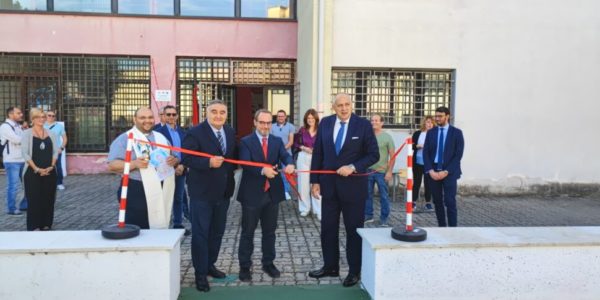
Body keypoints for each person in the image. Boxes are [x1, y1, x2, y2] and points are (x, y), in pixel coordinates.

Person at [308, 94, 379, 287]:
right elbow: (318, 153)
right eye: (340, 105)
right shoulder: (326, 123)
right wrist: (314, 180)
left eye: (347, 104)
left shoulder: (362, 125)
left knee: (353, 231)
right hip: (329, 187)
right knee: (328, 229)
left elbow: (373, 154)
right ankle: (330, 266)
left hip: (353, 189)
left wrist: (354, 166)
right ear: (334, 107)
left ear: (352, 105)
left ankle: (355, 271)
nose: (344, 108)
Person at [182, 100, 238, 292]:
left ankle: (210, 264)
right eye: (214, 112)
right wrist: (207, 162)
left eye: (222, 112)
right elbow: (186, 157)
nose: (218, 115)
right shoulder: (195, 132)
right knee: (200, 234)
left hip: (223, 193)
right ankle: (199, 274)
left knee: (217, 232)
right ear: (207, 113)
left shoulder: (229, 132)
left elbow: (234, 157)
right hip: (202, 193)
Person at [237, 109, 295, 282]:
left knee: (270, 232)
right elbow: (245, 164)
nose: (265, 126)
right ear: (255, 122)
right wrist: (263, 170)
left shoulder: (277, 141)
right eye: (262, 122)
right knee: (248, 232)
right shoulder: (245, 142)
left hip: (272, 194)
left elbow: (285, 156)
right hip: (252, 195)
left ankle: (268, 263)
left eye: (269, 122)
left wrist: (290, 164)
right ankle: (245, 266)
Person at [107, 107, 178, 229]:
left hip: (162, 186)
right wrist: (134, 164)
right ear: (135, 119)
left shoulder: (160, 137)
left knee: (160, 222)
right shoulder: (125, 138)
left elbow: (174, 156)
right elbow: (112, 165)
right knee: (138, 228)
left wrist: (174, 160)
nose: (147, 120)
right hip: (137, 189)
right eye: (142, 118)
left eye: (150, 117)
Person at [423, 106, 464, 227]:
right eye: (436, 116)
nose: (437, 119)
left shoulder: (456, 133)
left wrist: (446, 171)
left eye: (440, 116)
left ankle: (452, 228)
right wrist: (430, 170)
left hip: (449, 171)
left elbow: (458, 155)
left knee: (450, 201)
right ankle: (442, 226)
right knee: (437, 201)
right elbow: (426, 153)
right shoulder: (431, 133)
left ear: (447, 116)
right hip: (433, 171)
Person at [21, 108, 59, 231]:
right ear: (32, 119)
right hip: (32, 172)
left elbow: (55, 152)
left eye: (43, 117)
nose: (41, 119)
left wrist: (52, 166)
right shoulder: (27, 133)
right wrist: (37, 169)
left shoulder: (51, 134)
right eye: (38, 117)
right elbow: (25, 154)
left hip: (50, 171)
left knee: (48, 198)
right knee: (34, 199)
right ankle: (34, 225)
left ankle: (46, 223)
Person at [157, 105, 190, 236]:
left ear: (177, 116)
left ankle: (177, 224)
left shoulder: (184, 132)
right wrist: (173, 166)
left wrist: (183, 165)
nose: (171, 117)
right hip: (164, 171)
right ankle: (161, 225)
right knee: (163, 197)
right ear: (163, 116)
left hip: (181, 170)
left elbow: (187, 151)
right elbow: (157, 153)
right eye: (168, 114)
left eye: (173, 114)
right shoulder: (158, 132)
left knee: (178, 198)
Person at [364, 113, 395, 227]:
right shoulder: (367, 136)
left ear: (382, 123)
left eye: (376, 120)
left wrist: (389, 171)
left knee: (384, 196)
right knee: (367, 194)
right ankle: (368, 215)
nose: (374, 122)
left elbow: (393, 156)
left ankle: (384, 218)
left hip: (382, 172)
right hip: (368, 170)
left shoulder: (387, 137)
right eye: (372, 120)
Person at [293, 108, 320, 219]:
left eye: (312, 118)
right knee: (303, 183)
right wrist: (303, 147)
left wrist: (316, 150)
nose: (310, 120)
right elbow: (295, 143)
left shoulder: (320, 130)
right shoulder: (302, 130)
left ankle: (318, 210)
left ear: (316, 118)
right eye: (308, 118)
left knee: (317, 183)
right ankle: (305, 208)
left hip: (317, 158)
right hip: (303, 157)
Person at [1, 106, 28, 215]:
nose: (21, 114)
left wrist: (25, 131)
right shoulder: (5, 126)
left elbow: (23, 138)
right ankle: (11, 208)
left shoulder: (18, 126)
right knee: (13, 186)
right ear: (11, 115)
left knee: (27, 184)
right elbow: (17, 140)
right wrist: (27, 137)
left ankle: (24, 205)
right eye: (18, 113)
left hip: (23, 159)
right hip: (12, 160)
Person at [270, 109, 295, 200]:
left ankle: (286, 191)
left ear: (285, 117)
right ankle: (276, 190)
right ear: (277, 117)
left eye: (282, 116)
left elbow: (291, 141)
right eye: (279, 116)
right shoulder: (271, 126)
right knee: (275, 173)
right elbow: (270, 139)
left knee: (286, 173)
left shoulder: (290, 126)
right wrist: (277, 151)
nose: (280, 117)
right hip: (274, 154)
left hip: (286, 154)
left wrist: (282, 151)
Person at [412, 116, 434, 211]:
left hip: (429, 163)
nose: (429, 124)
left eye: (431, 122)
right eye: (427, 122)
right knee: (416, 182)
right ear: (424, 123)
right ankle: (413, 202)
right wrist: (417, 146)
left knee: (428, 183)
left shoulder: (435, 134)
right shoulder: (417, 133)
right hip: (417, 161)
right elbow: (412, 146)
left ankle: (428, 203)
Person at [44, 110, 68, 190]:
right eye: (49, 115)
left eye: (53, 116)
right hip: (44, 150)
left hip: (56, 150)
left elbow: (65, 139)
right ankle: (47, 183)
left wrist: (61, 148)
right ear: (46, 116)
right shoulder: (41, 125)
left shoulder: (59, 126)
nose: (51, 117)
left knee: (58, 167)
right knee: (45, 166)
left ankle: (59, 183)